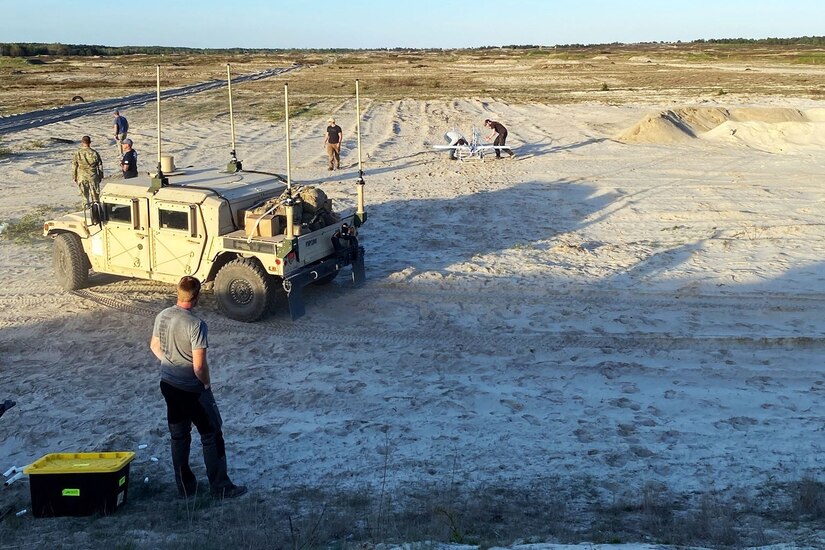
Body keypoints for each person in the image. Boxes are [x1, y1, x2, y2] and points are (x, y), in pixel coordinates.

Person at [149, 276, 247, 500]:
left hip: (168, 384)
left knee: (179, 435)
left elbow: (154, 346)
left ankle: (185, 487)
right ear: (197, 296)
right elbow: (199, 365)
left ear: (178, 293)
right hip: (192, 389)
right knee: (212, 433)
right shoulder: (196, 325)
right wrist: (206, 383)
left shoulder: (162, 315)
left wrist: (169, 363)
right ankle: (221, 486)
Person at [71, 135, 104, 205]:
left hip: (82, 176)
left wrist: (74, 176)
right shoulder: (94, 153)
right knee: (95, 196)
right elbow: (100, 165)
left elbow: (74, 165)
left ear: (82, 142)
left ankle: (86, 208)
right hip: (93, 175)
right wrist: (100, 176)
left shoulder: (78, 153)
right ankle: (96, 209)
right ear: (90, 142)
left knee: (85, 195)